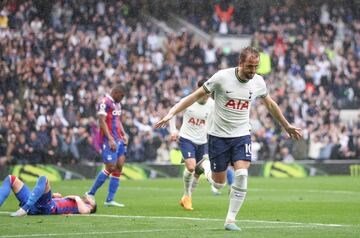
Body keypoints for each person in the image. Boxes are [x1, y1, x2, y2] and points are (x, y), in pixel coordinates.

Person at [155, 46, 303, 231]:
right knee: (219, 182)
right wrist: (171, 113)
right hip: (218, 137)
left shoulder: (258, 82)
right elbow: (194, 96)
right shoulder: (222, 78)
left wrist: (286, 125)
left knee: (242, 175)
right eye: (249, 66)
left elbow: (270, 104)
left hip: (241, 135)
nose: (253, 71)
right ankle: (206, 166)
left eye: (256, 66)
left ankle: (230, 220)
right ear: (240, 63)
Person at [169, 79, 214, 210]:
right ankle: (188, 196)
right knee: (191, 167)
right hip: (187, 139)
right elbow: (173, 112)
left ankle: (186, 197)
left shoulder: (212, 104)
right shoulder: (189, 100)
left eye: (209, 93)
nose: (207, 96)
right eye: (205, 93)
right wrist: (173, 130)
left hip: (203, 141)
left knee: (198, 171)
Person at [85, 84, 128, 207]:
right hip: (108, 140)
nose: (122, 99)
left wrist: (124, 134)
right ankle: (90, 193)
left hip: (119, 139)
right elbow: (101, 121)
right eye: (121, 96)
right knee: (110, 167)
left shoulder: (117, 104)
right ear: (116, 93)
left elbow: (118, 121)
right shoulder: (104, 102)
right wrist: (109, 139)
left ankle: (109, 200)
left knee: (119, 166)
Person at [0, 175, 96, 216]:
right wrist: (55, 196)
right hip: (38, 204)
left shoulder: (87, 207)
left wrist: (76, 197)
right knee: (11, 179)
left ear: (92, 206)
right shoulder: (78, 202)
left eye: (92, 199)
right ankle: (26, 208)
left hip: (47, 208)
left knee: (44, 179)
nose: (89, 197)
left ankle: (25, 209)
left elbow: (85, 212)